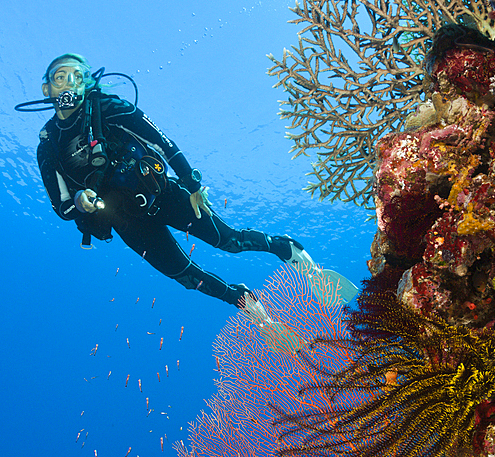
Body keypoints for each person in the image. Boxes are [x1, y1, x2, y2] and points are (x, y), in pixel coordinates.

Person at [35, 53, 320, 311]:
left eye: (77, 76)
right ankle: (241, 299)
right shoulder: (49, 145)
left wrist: (192, 183)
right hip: (127, 223)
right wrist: (79, 203)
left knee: (229, 241)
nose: (69, 83)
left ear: (86, 82)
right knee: (185, 276)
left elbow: (161, 141)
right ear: (47, 89)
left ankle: (284, 247)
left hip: (163, 194)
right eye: (60, 77)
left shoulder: (107, 108)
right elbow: (62, 207)